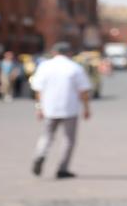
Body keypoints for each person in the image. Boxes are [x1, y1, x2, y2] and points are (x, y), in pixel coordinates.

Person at [30, 42, 92, 179]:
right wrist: (87, 108)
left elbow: (38, 90)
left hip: (49, 108)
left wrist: (39, 107)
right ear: (69, 53)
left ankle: (40, 155)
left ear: (54, 52)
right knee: (68, 139)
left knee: (47, 136)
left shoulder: (44, 66)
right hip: (69, 109)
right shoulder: (75, 68)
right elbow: (83, 91)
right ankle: (62, 169)